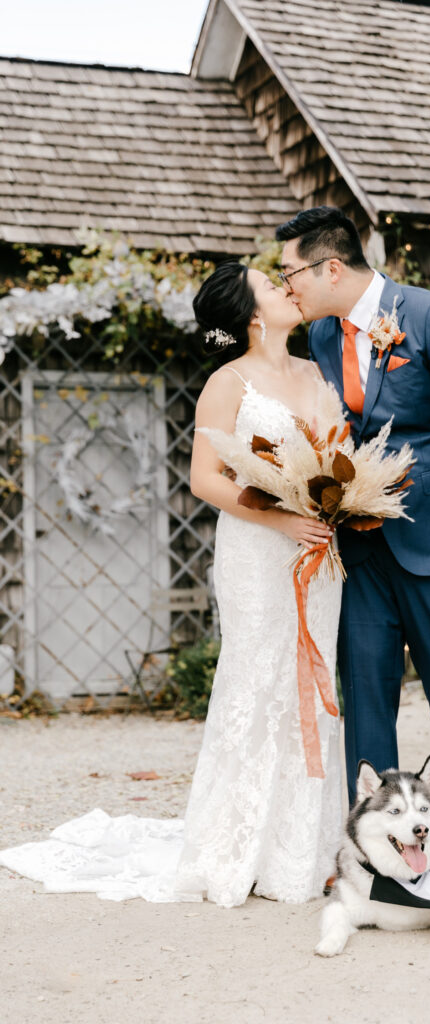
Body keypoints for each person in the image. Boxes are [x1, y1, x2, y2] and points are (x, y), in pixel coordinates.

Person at [0, 263, 343, 907]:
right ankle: (234, 847)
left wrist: (332, 506)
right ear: (251, 314)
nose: (287, 288)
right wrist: (280, 514)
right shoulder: (228, 381)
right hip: (258, 547)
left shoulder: (316, 370)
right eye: (273, 285)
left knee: (309, 678)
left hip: (318, 553)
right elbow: (205, 479)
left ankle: (301, 846)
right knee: (256, 678)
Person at [275, 206, 430, 820]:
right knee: (368, 695)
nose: (285, 287)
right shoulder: (324, 334)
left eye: (290, 273)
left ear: (330, 268)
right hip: (358, 546)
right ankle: (379, 849)